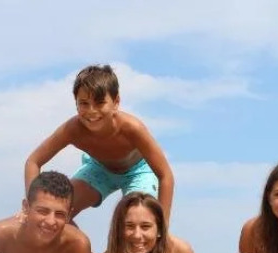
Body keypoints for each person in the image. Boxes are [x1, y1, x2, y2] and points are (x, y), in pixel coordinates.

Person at [24, 64, 175, 220]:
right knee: (57, 210)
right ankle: (71, 236)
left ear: (116, 102)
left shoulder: (132, 128)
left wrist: (162, 227)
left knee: (137, 220)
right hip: (99, 168)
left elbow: (166, 175)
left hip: (138, 171)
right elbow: (33, 161)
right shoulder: (72, 129)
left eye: (99, 103)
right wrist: (33, 206)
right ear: (76, 103)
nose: (91, 111)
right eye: (84, 103)